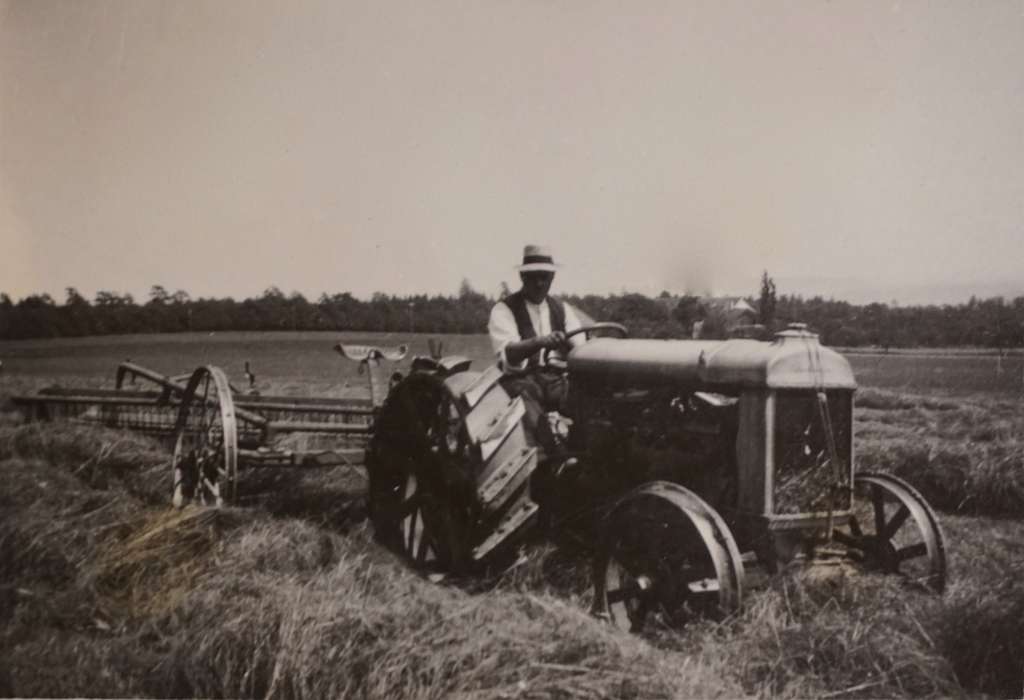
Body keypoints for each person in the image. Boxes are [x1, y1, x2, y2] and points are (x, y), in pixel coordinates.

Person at [488, 245, 587, 463]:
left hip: (555, 380)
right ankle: (546, 460)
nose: (540, 283)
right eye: (533, 277)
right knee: (526, 397)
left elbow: (581, 348)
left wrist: (572, 345)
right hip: (520, 380)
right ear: (522, 276)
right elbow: (509, 354)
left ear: (552, 277)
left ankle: (584, 451)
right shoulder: (504, 310)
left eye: (545, 277)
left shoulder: (561, 308)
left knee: (586, 399)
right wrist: (539, 342)